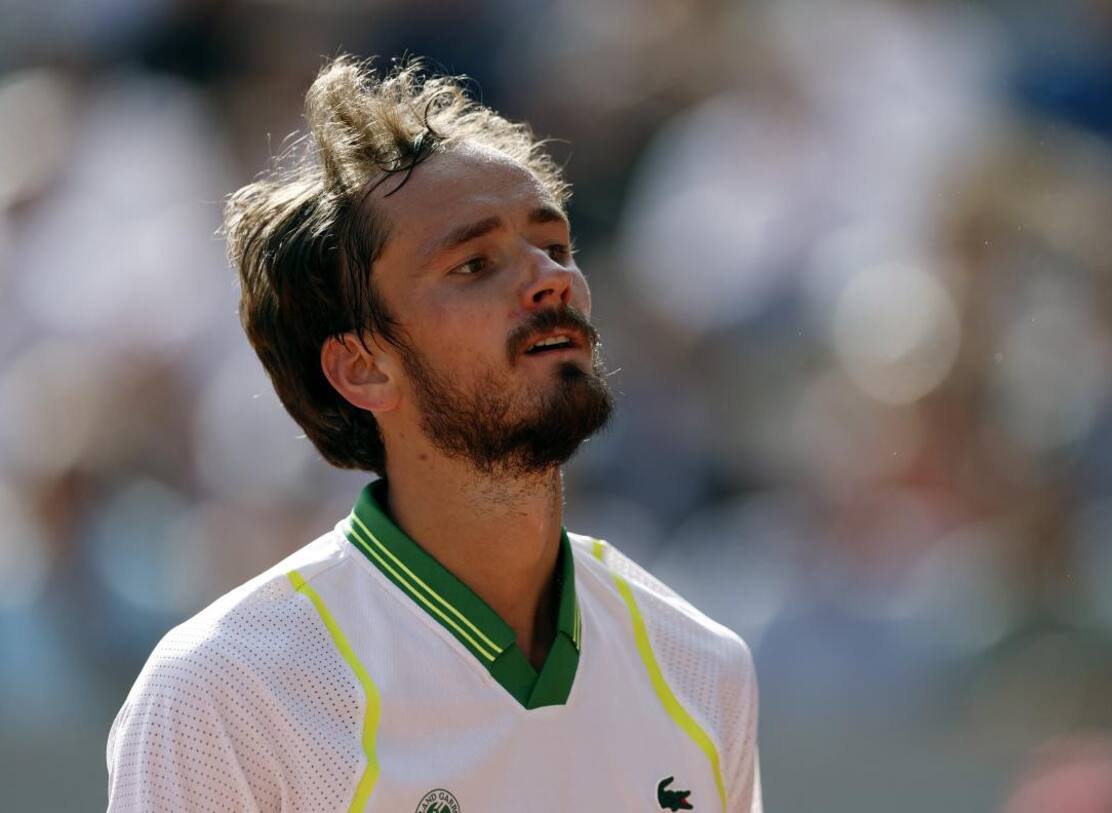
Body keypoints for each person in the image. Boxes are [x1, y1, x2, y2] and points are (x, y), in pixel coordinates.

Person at [105, 56, 761, 812]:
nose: (552, 278)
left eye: (555, 247)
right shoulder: (225, 691)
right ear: (363, 368)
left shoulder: (703, 665)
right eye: (474, 263)